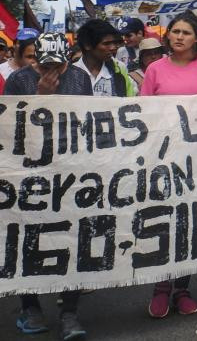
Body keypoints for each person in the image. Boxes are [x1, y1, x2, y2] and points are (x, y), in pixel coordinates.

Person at [139, 10, 197, 318]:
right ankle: (161, 287)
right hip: (164, 159)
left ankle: (182, 289)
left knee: (191, 223)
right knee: (165, 220)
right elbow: (141, 115)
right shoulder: (154, 69)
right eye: (174, 31)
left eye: (185, 32)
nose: (178, 36)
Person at [5, 32, 90, 339]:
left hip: (72, 172)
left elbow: (88, 124)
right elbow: (12, 129)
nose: (52, 71)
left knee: (72, 239)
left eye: (58, 65)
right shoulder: (18, 81)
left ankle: (69, 312)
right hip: (29, 175)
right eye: (44, 65)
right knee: (27, 239)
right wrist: (39, 99)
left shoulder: (80, 79)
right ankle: (31, 308)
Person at [74, 18, 137, 97]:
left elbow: (129, 99)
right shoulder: (70, 73)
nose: (113, 48)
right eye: (106, 44)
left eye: (114, 43)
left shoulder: (119, 69)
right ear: (87, 45)